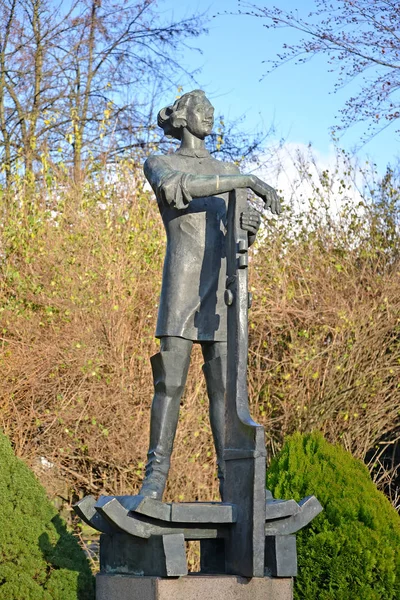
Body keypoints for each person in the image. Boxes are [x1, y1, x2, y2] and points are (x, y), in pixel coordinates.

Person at [141, 89, 280, 501]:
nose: (209, 115)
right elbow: (178, 190)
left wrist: (248, 228)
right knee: (170, 383)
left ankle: (236, 486)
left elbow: (236, 235)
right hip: (181, 287)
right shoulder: (161, 163)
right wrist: (247, 180)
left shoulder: (225, 168)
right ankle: (154, 479)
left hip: (221, 295)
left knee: (226, 393)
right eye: (201, 109)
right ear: (183, 118)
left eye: (212, 110)